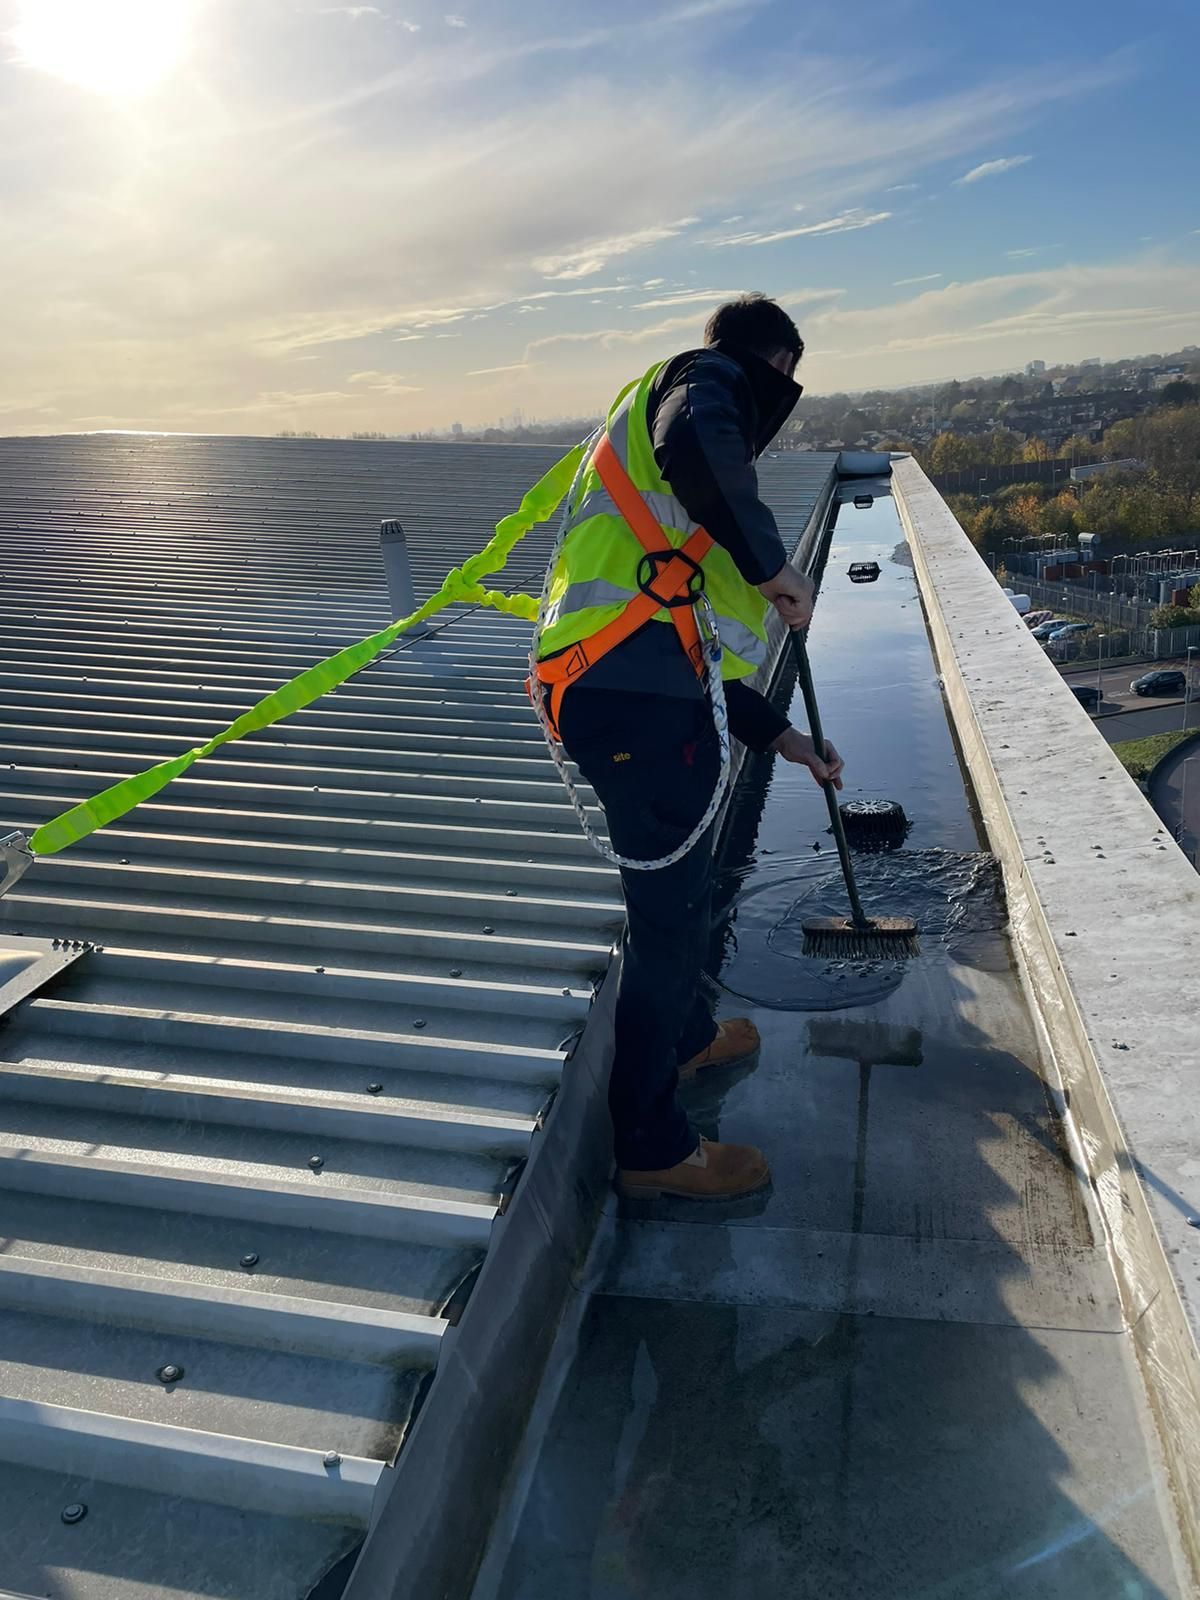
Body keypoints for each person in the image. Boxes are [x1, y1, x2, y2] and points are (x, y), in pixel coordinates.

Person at [534, 293, 843, 1201]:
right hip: (629, 707)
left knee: (684, 898)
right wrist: (773, 566)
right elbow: (701, 437)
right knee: (667, 928)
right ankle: (654, 1148)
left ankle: (689, 1040)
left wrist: (781, 735)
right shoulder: (701, 384)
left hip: (632, 694)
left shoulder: (645, 483)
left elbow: (697, 664)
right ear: (774, 364)